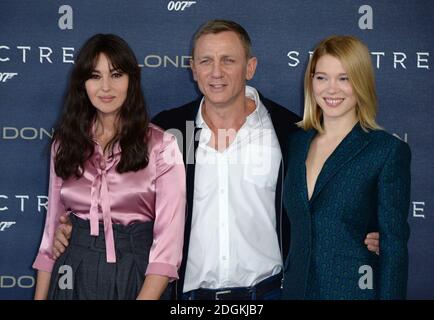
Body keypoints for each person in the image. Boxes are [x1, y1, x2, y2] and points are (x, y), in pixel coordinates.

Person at [51, 21, 380, 300]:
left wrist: (363, 231)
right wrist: (72, 226)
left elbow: (326, 199)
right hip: (188, 296)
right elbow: (117, 191)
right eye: (206, 61)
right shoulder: (167, 131)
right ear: (193, 69)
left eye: (228, 60)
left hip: (270, 293)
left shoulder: (291, 132)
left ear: (250, 66)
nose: (216, 72)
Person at [32, 34, 186, 300]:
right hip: (72, 270)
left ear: (131, 81)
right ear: (83, 83)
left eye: (115, 74)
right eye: (95, 76)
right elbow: (51, 233)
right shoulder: (64, 143)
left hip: (135, 271)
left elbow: (168, 249)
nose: (105, 87)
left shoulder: (163, 145)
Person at [282, 35, 411, 300]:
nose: (331, 89)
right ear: (311, 82)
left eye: (344, 78)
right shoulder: (295, 144)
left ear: (361, 81)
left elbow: (394, 248)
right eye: (321, 77)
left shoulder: (385, 150)